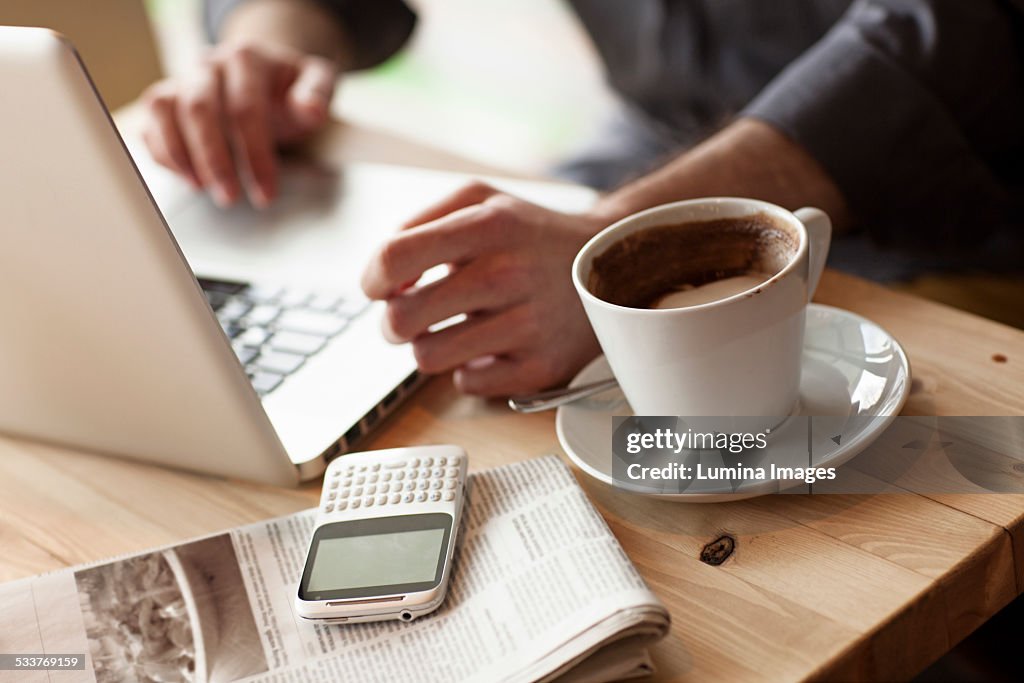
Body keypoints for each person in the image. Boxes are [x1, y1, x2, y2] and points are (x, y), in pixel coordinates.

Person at [141, 0, 1024, 397]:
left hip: (971, 221)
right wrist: (267, 44)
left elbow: (966, 31)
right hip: (651, 148)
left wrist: (611, 247)